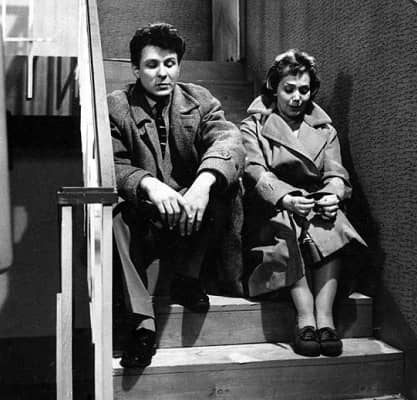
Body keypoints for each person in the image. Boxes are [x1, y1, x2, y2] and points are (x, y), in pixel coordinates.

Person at [108, 23, 244, 368]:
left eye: (170, 64)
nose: (163, 73)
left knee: (225, 184)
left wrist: (202, 183)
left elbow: (229, 141)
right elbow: (112, 163)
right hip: (147, 215)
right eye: (152, 65)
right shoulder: (116, 106)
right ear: (136, 69)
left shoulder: (199, 100)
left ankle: (188, 278)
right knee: (114, 215)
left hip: (190, 216)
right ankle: (142, 325)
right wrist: (147, 184)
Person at [241, 50, 366, 357]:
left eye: (304, 90)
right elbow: (255, 169)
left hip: (314, 201)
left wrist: (333, 195)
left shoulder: (325, 130)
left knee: (333, 221)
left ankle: (326, 319)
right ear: (274, 87)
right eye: (289, 89)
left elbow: (336, 172)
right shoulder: (253, 124)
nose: (297, 97)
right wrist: (285, 198)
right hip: (272, 204)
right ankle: (305, 316)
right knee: (289, 225)